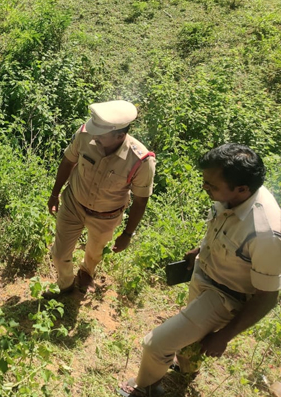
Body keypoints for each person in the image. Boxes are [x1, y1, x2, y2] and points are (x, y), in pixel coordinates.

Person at [118, 144, 281, 397]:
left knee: (155, 344)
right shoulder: (231, 196)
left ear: (242, 189)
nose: (205, 188)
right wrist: (201, 249)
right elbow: (227, 230)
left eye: (212, 186)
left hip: (226, 297)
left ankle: (145, 388)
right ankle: (186, 368)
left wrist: (225, 335)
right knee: (191, 338)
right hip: (205, 274)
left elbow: (268, 297)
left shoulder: (267, 233)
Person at [46, 100, 156, 295]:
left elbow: (141, 200)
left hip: (106, 216)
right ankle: (66, 285)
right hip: (73, 204)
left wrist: (127, 234)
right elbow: (67, 161)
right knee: (60, 254)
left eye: (100, 135)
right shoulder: (85, 135)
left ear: (120, 136)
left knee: (95, 252)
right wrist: (54, 194)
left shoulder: (140, 160)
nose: (93, 137)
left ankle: (87, 272)